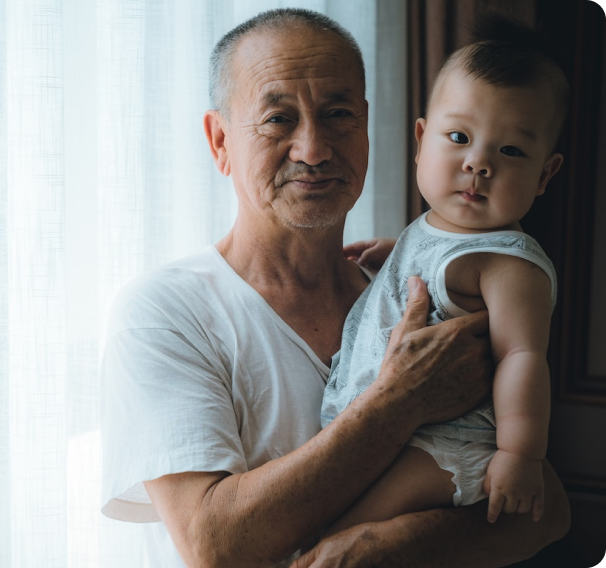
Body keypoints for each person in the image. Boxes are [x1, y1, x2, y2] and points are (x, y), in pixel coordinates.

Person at [100, 8, 570, 568]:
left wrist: (376, 548)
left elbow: (546, 511)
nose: (314, 148)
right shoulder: (166, 311)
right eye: (278, 119)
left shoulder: (418, 288)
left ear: (367, 126)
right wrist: (401, 400)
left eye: (339, 114)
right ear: (220, 140)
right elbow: (214, 544)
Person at [320, 17, 568, 539]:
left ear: (545, 174)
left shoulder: (510, 263)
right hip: (396, 432)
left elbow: (523, 357)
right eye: (459, 137)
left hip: (441, 449)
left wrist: (520, 454)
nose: (478, 164)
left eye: (511, 151)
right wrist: (397, 254)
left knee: (336, 537)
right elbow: (443, 264)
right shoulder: (441, 226)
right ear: (420, 139)